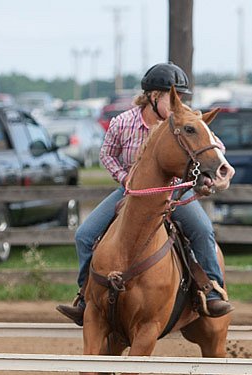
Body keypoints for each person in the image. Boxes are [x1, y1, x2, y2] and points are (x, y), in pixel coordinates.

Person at [57, 62, 233, 325]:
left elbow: (212, 146)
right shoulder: (123, 122)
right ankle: (86, 297)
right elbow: (107, 155)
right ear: (152, 97)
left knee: (202, 229)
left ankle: (212, 291)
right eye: (172, 98)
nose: (178, 104)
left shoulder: (184, 120)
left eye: (181, 98)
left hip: (173, 191)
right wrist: (125, 178)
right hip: (130, 192)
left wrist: (212, 175)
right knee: (85, 235)